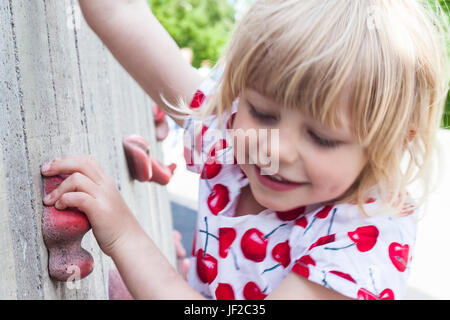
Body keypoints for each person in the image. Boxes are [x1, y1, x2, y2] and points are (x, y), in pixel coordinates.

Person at [41, 0, 449, 300]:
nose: (278, 149)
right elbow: (121, 15)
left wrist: (125, 236)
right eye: (263, 112)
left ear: (391, 143)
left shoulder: (360, 239)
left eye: (322, 138)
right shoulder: (233, 135)